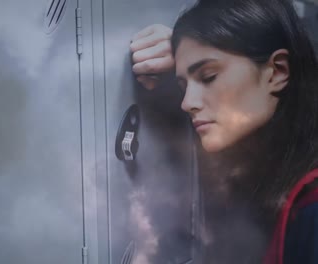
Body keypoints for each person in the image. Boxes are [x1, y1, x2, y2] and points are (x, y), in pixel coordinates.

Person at [130, 0, 318, 263]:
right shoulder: (259, 178)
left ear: (277, 71)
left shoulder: (311, 208)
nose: (187, 103)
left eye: (208, 77)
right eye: (183, 85)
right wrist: (184, 45)